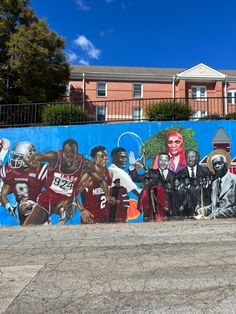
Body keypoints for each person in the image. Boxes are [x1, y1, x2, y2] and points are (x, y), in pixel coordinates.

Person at [23, 139, 114, 226]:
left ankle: (63, 216)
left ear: (76, 153)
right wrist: (30, 160)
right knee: (27, 227)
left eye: (72, 156)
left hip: (65, 200)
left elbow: (101, 179)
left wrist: (107, 195)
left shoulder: (85, 163)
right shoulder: (54, 156)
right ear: (62, 152)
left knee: (71, 203)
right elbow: (39, 156)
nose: (69, 160)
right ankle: (60, 213)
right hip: (49, 198)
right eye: (66, 155)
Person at [0, 141, 47, 225]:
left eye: (18, 157)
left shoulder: (40, 170)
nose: (14, 159)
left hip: (38, 209)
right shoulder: (9, 170)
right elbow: (3, 194)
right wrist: (9, 208)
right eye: (14, 156)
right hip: (21, 210)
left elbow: (51, 192)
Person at [197, 150, 236, 219]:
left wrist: (219, 214)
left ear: (226, 165)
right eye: (214, 164)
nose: (217, 166)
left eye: (219, 163)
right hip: (214, 225)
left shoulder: (234, 180)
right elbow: (215, 205)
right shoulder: (214, 183)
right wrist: (204, 210)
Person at [81, 145, 112, 223]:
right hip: (91, 219)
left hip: (106, 219)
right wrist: (82, 210)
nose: (106, 158)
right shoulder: (88, 176)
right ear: (94, 159)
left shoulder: (110, 173)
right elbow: (72, 194)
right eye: (102, 156)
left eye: (106, 156)